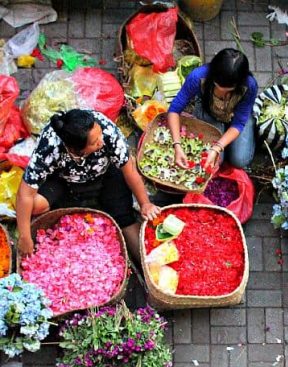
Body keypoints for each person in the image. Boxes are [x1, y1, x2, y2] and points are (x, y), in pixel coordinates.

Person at [16, 109, 160, 261]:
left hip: (105, 173)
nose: (101, 141)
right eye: (94, 142)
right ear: (74, 149)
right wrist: (24, 237)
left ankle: (147, 262)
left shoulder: (107, 132)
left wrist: (145, 204)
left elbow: (130, 171)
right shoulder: (49, 147)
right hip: (64, 179)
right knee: (33, 205)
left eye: (100, 135)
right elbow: (24, 194)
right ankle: (61, 207)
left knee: (124, 218)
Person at [168, 48, 258, 172]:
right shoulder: (198, 77)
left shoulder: (249, 85)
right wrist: (177, 145)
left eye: (229, 90)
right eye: (217, 85)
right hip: (209, 111)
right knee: (216, 161)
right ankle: (221, 130)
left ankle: (248, 124)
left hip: (236, 116)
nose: (221, 92)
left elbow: (238, 123)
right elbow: (174, 110)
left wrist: (217, 147)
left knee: (240, 160)